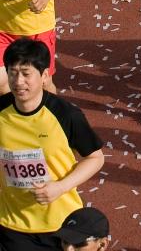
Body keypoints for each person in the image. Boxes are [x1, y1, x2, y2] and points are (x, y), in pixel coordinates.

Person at [0, 37, 104, 245]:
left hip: (62, 226)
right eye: (13, 73)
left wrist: (60, 187)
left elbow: (95, 158)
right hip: (12, 224)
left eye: (26, 74)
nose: (19, 81)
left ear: (45, 75)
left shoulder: (66, 115)